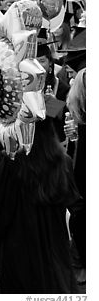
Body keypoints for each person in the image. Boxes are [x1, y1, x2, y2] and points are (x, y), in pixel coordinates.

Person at [0, 118, 82, 293]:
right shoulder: (64, 162)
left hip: (20, 253)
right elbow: (73, 206)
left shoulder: (11, 164)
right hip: (55, 251)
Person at [65, 68, 86, 285]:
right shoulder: (76, 117)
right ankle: (82, 261)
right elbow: (72, 148)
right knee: (80, 216)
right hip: (80, 170)